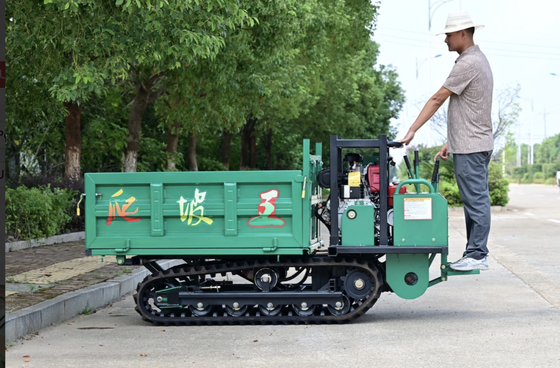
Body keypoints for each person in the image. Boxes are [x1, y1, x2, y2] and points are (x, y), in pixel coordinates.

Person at [398, 10, 493, 271]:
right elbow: (473, 107)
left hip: (472, 146)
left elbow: (438, 98)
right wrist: (452, 141)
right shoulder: (476, 60)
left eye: (449, 35)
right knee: (474, 199)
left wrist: (412, 130)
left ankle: (478, 254)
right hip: (471, 142)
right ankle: (474, 252)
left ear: (463, 34)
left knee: (476, 200)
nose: (445, 40)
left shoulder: (468, 63)